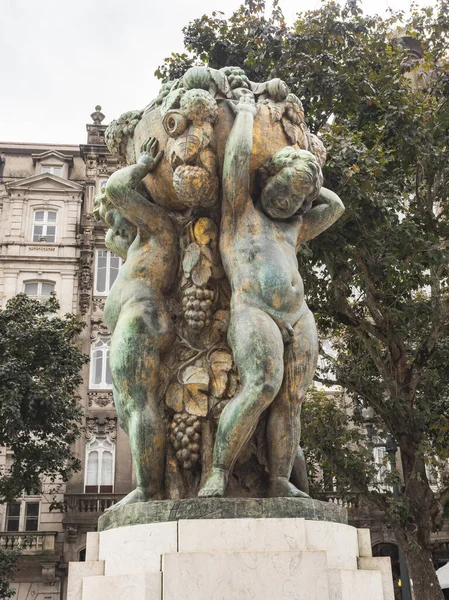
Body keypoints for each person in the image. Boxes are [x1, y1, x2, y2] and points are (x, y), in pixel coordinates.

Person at [199, 95, 344, 498]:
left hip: (299, 315)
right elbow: (236, 159)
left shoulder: (293, 227)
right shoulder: (240, 212)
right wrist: (245, 113)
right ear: (268, 178)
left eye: (295, 201)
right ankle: (219, 471)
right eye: (282, 192)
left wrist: (307, 180)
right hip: (254, 309)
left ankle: (280, 481)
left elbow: (334, 205)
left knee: (292, 400)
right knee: (262, 385)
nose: (286, 202)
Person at [94, 138, 177, 506]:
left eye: (115, 219)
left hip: (140, 322)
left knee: (138, 405)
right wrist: (115, 227)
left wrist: (142, 164)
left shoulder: (158, 229)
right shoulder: (137, 248)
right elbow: (115, 236)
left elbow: (115, 188)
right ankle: (149, 483)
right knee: (129, 414)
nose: (113, 230)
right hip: (131, 326)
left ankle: (149, 490)